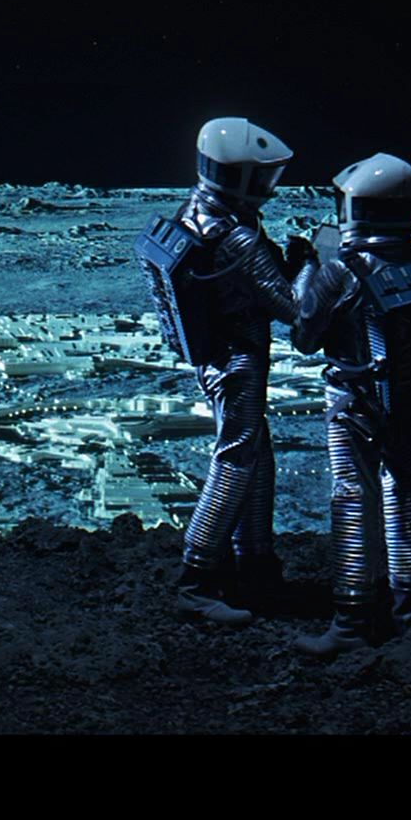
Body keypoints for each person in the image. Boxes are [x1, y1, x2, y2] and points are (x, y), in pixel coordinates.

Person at [290, 152, 411, 657]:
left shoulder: (342, 271)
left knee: (353, 497)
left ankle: (351, 622)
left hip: (353, 403)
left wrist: (306, 267)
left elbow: (305, 336)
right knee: (409, 492)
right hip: (409, 402)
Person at [135, 117, 299, 624]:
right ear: (237, 176)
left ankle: (254, 570)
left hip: (218, 357)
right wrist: (314, 261)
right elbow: (293, 309)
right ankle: (198, 581)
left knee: (255, 456)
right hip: (238, 358)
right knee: (236, 460)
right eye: (262, 176)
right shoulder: (235, 237)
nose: (270, 187)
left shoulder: (198, 211)